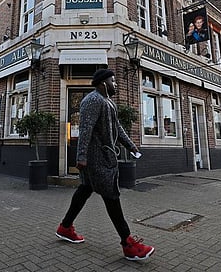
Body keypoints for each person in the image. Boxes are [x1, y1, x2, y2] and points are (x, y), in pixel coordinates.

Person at [55, 69, 155, 261]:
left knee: (84, 190)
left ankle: (65, 227)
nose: (115, 84)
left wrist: (131, 145)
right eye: (112, 81)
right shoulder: (92, 100)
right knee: (111, 197)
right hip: (96, 159)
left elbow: (117, 127)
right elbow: (85, 129)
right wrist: (82, 156)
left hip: (104, 156)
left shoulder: (108, 102)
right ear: (103, 83)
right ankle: (128, 243)